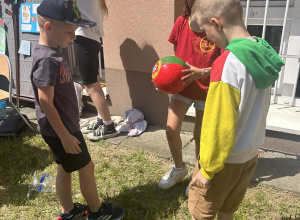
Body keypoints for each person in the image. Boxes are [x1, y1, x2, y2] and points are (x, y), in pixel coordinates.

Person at [188, 0, 285, 219]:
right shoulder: (259, 51)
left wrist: (207, 169)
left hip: (222, 162)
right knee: (227, 211)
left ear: (216, 23)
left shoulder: (226, 63)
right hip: (249, 155)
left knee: (200, 213)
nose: (207, 39)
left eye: (205, 31)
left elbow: (218, 124)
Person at [30, 0, 125, 219]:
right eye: (70, 31)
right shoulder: (47, 59)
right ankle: (96, 212)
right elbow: (46, 102)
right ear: (49, 27)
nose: (74, 36)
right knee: (86, 167)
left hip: (61, 128)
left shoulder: (54, 50)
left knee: (65, 167)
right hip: (62, 130)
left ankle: (69, 212)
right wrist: (64, 136)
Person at [157, 0, 221, 193]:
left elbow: (224, 63)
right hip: (182, 88)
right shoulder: (181, 22)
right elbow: (174, 58)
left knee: (200, 136)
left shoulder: (216, 26)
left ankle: (197, 173)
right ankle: (179, 169)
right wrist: (165, 78)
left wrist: (201, 72)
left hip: (206, 90)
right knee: (171, 130)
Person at [74, 0, 118, 141]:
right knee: (95, 83)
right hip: (92, 39)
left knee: (90, 86)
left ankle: (108, 125)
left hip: (84, 38)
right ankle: (101, 119)